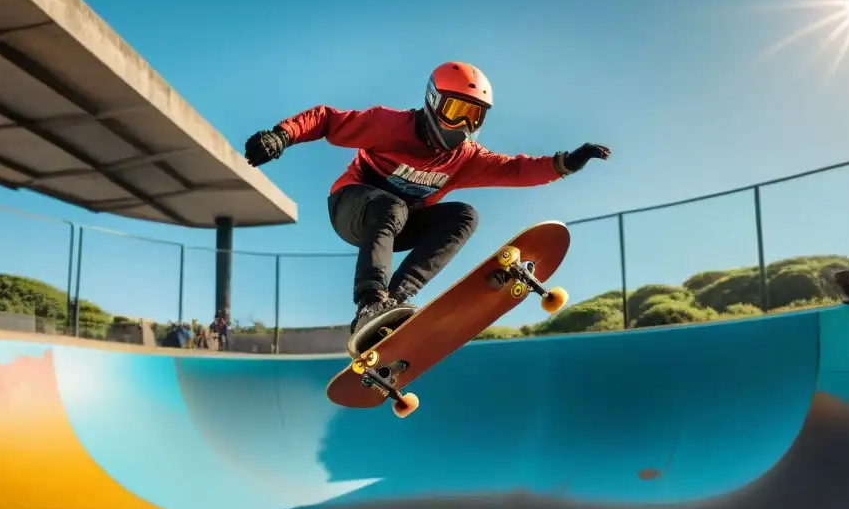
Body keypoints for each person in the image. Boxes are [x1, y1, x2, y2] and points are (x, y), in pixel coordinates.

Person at [244, 61, 610, 337]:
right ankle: (370, 301)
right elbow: (326, 119)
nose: (463, 127)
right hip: (351, 207)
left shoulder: (467, 158)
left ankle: (394, 299)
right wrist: (281, 136)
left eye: (473, 117)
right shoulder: (390, 125)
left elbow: (516, 169)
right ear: (433, 103)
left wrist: (565, 164)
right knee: (392, 206)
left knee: (464, 215)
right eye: (455, 112)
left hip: (399, 226)